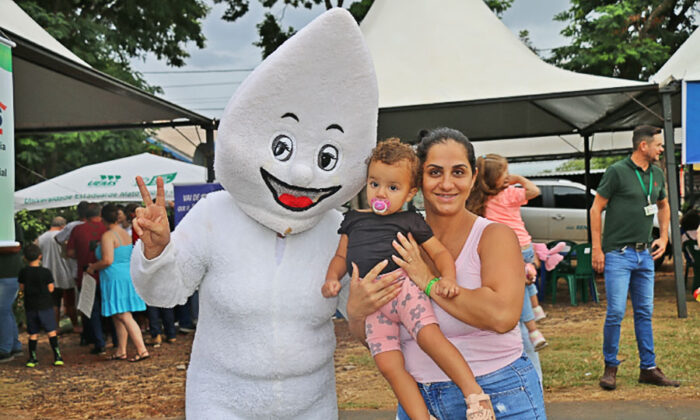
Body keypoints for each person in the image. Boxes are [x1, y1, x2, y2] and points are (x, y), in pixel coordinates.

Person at [345, 127, 546, 419]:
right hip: (419, 401)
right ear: (417, 181)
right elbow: (378, 336)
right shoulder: (396, 241)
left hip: (496, 393)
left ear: (474, 177)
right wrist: (356, 313)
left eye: (459, 172)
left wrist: (428, 281)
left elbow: (502, 317)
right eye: (435, 172)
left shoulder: (493, 236)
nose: (447, 184)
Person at [322, 139, 494, 420]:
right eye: (374, 184)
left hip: (404, 292)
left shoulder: (410, 222)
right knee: (388, 365)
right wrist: (332, 279)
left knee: (430, 338)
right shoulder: (353, 220)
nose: (381, 193)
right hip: (373, 304)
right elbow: (340, 258)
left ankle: (473, 393)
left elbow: (439, 254)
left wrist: (448, 278)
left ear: (410, 192)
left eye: (393, 188)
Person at [590, 125, 680, 390]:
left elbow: (663, 205)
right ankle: (610, 368)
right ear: (644, 146)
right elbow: (596, 209)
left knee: (644, 312)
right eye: (659, 145)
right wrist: (597, 249)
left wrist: (663, 237)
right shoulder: (616, 171)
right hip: (618, 254)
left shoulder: (657, 174)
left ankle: (648, 369)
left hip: (645, 255)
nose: (662, 149)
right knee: (616, 312)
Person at [466, 153, 548, 351]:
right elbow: (534, 190)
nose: (508, 176)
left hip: (509, 251)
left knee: (521, 287)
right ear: (493, 177)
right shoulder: (511, 193)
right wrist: (519, 180)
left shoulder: (480, 201)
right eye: (505, 173)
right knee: (525, 283)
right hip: (523, 247)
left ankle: (532, 329)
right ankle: (536, 311)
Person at [87, 204, 148, 362]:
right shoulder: (125, 233)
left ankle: (142, 350)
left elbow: (107, 260)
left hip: (115, 278)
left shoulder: (108, 235)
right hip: (126, 275)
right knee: (119, 315)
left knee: (124, 315)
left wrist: (93, 267)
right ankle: (121, 350)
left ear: (103, 218)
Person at [67, 203, 108, 354]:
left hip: (86, 274)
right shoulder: (107, 229)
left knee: (90, 309)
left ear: (84, 215)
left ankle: (98, 341)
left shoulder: (77, 229)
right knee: (111, 308)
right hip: (106, 274)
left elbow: (70, 252)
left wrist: (83, 254)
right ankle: (114, 339)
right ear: (100, 214)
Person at [18, 244, 64, 367]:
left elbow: (21, 287)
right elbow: (51, 289)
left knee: (33, 333)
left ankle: (32, 358)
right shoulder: (46, 272)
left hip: (31, 306)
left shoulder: (23, 272)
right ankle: (57, 356)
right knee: (51, 331)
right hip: (45, 305)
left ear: (25, 258)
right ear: (40, 256)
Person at [37, 216, 78, 329]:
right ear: (63, 226)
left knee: (54, 303)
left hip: (48, 273)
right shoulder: (63, 236)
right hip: (66, 272)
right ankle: (75, 325)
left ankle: (55, 328)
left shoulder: (41, 238)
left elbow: (36, 254)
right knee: (69, 302)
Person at [0, 222, 24, 363]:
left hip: (8, 274)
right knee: (6, 310)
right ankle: (14, 346)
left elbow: (16, 247)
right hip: (9, 274)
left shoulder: (11, 223)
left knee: (2, 310)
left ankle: (5, 349)